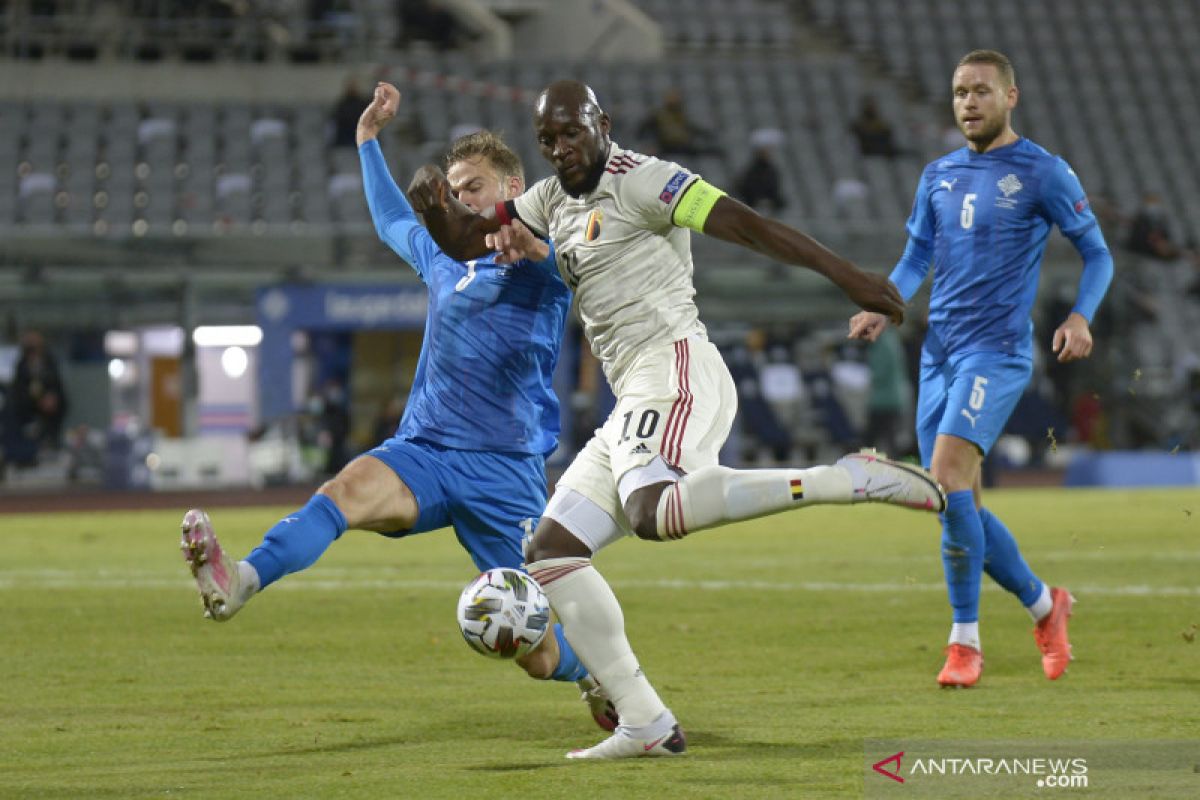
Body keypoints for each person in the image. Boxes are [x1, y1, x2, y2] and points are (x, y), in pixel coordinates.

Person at [408, 80, 947, 759]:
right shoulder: (546, 200)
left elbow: (751, 226)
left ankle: (844, 479)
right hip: (631, 392)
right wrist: (431, 201)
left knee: (653, 512)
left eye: (572, 133)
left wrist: (848, 277)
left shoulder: (648, 182)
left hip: (677, 365)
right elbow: (466, 239)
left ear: (602, 123)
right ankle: (645, 722)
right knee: (550, 552)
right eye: (548, 140)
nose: (561, 149)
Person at [180, 82, 620, 732]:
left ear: (511, 188)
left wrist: (536, 242)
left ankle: (591, 676)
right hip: (425, 452)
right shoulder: (444, 262)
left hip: (506, 473)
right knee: (344, 490)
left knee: (534, 647)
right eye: (452, 185)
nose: (458, 197)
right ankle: (239, 580)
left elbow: (571, 263)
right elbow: (392, 221)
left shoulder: (536, 266)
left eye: (471, 186)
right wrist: (367, 142)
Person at [848, 50, 1114, 688]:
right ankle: (1047, 606)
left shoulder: (1043, 172)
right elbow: (917, 255)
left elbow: (1097, 254)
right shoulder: (938, 174)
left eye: (982, 92)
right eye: (960, 92)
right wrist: (884, 305)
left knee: (944, 477)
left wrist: (1080, 317)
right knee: (952, 499)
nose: (969, 102)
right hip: (938, 355)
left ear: (1010, 97)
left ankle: (964, 643)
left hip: (996, 354)